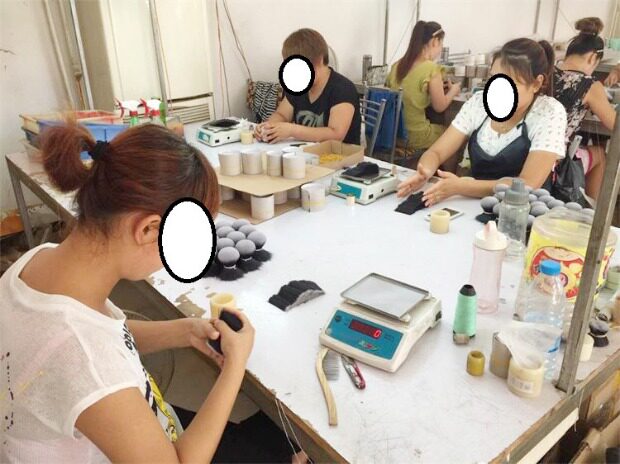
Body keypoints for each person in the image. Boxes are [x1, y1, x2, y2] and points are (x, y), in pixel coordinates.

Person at [0, 123, 256, 463]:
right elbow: (87, 356)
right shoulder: (88, 362)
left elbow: (102, 337)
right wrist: (235, 367)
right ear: (149, 229)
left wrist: (183, 331)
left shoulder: (39, 261)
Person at [397, 38, 567, 206]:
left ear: (536, 83)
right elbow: (436, 152)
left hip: (523, 211)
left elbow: (528, 184)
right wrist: (425, 171)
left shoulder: (548, 112)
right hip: (476, 205)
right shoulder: (479, 103)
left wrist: (462, 186)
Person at [255, 28, 361, 144]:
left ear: (320, 60)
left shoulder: (343, 89)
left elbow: (336, 134)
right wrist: (268, 127)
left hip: (339, 153)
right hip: (305, 151)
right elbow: (282, 115)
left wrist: (292, 130)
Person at [554, 17, 617, 199]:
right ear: (592, 58)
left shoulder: (548, 73)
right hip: (556, 160)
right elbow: (615, 124)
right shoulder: (588, 84)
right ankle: (590, 210)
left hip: (529, 150)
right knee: (600, 155)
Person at [386, 20, 461, 151]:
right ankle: (442, 165)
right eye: (441, 44)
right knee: (455, 135)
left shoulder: (397, 65)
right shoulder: (431, 69)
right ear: (435, 42)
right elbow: (440, 106)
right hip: (415, 136)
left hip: (391, 135)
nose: (440, 49)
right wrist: (453, 91)